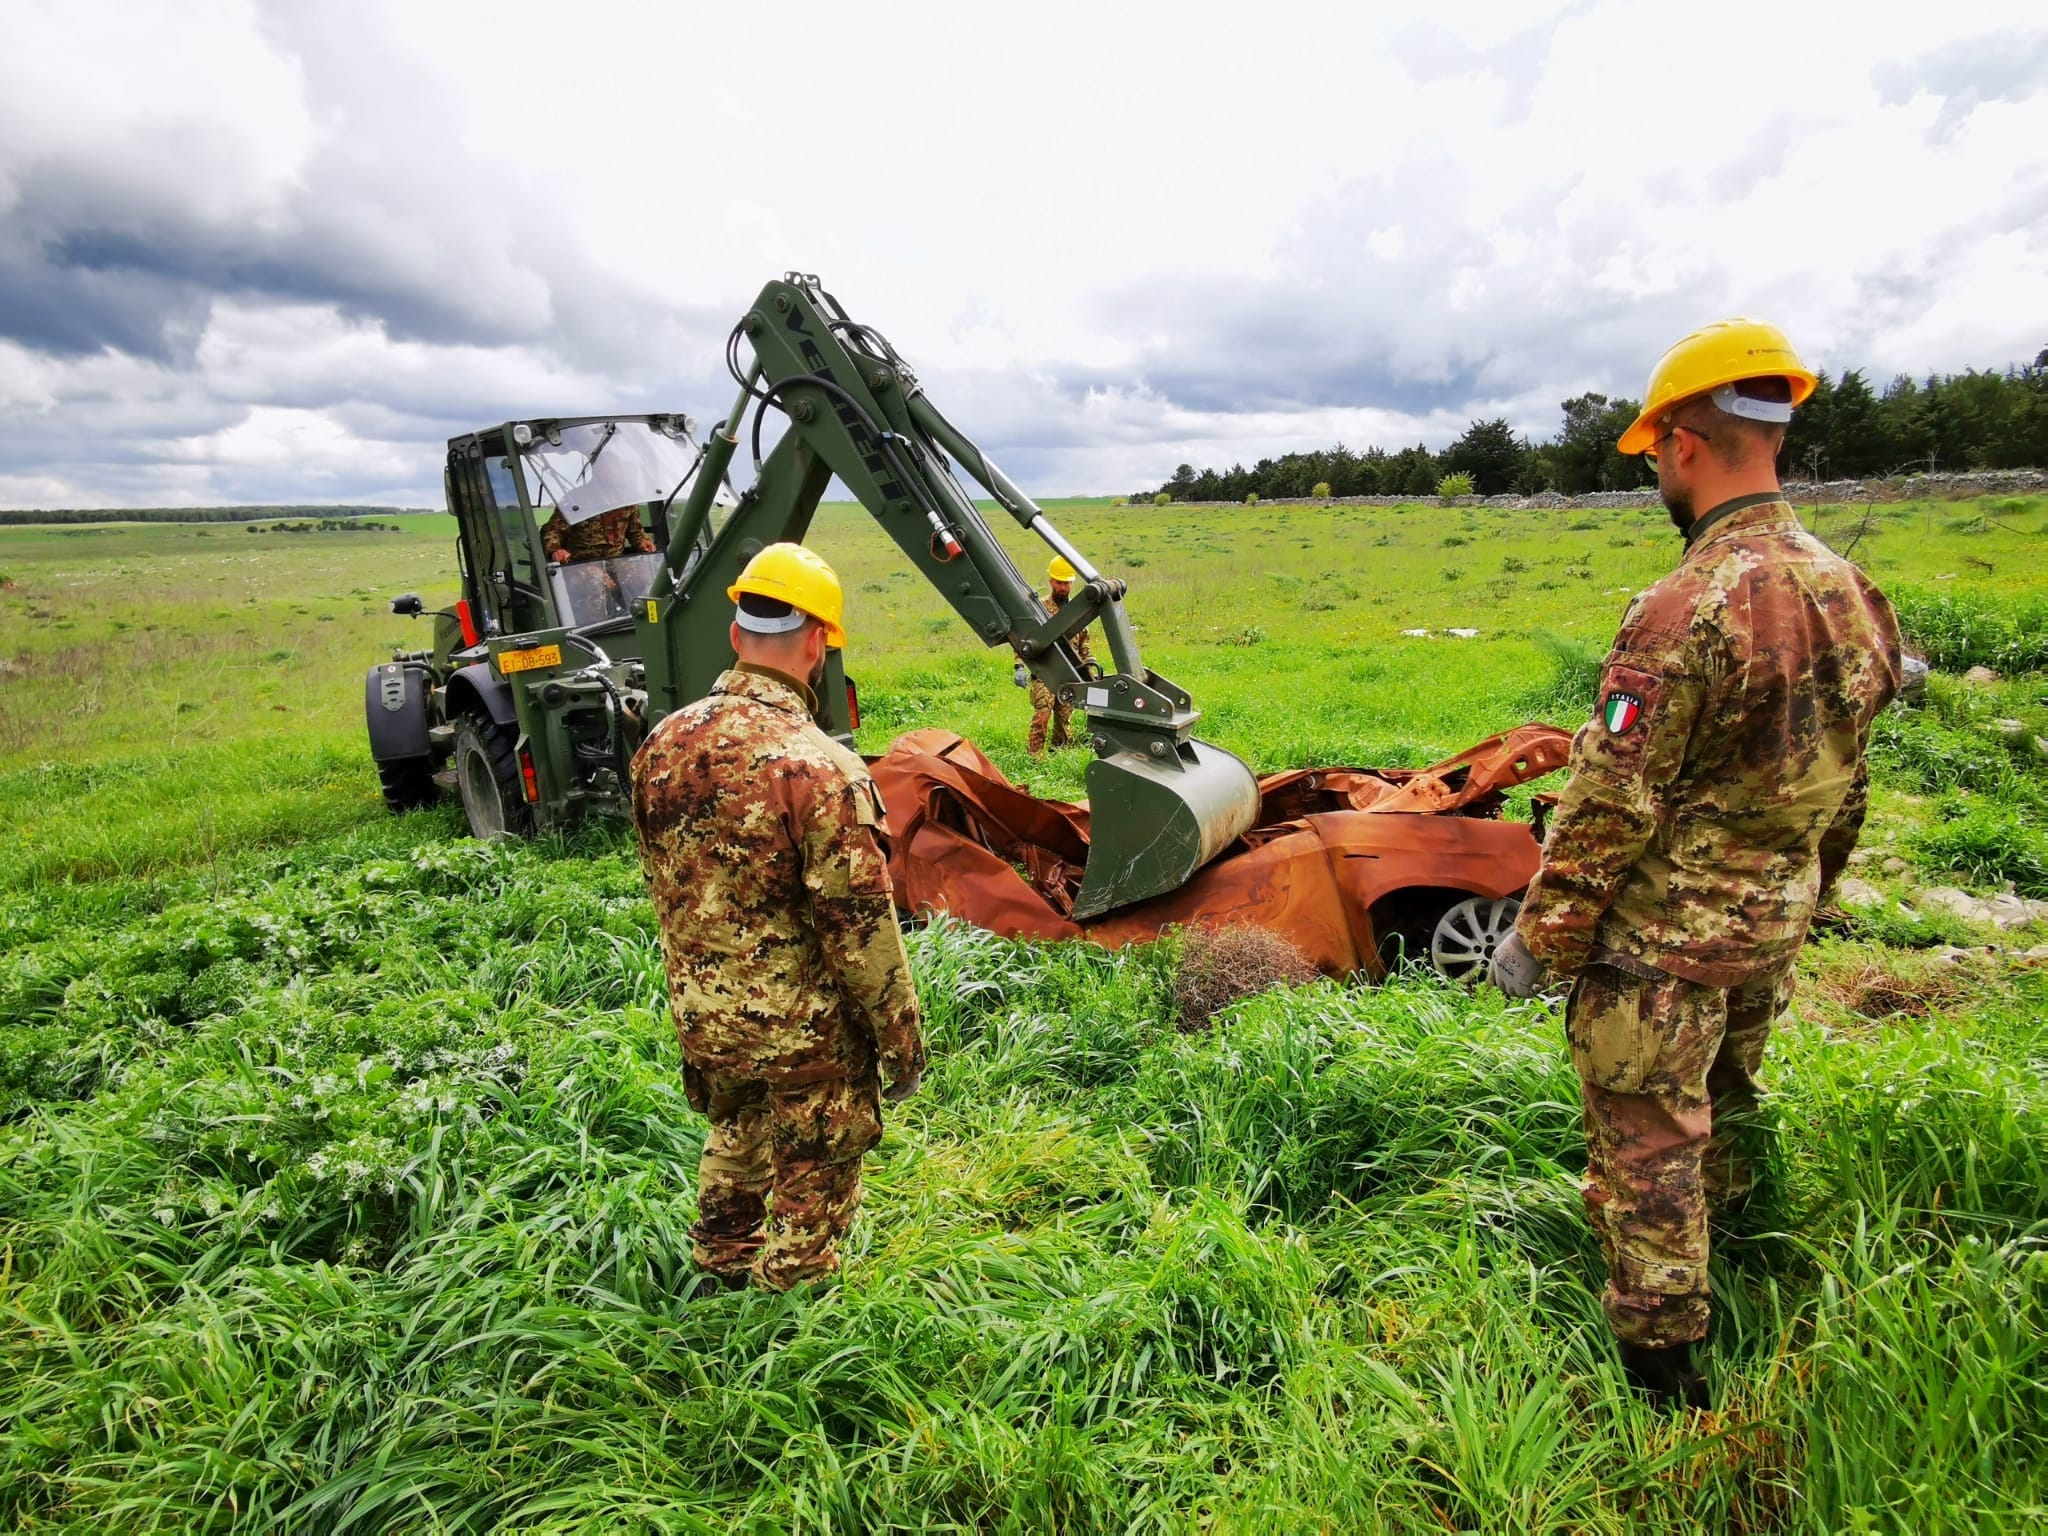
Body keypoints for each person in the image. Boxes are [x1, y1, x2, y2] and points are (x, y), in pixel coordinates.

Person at [1487, 319, 1902, 1408]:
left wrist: (1541, 941)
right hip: (1768, 926)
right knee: (1726, 1104)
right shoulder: (1850, 591)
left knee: (1647, 1147)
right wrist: (1808, 893)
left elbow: (1609, 801)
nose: (1654, 478)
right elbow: (1843, 782)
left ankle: (1659, 1371)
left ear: (1681, 441)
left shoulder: (1684, 605)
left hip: (1660, 954)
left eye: (1653, 457)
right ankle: (1750, 1259)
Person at [631, 542, 925, 1293]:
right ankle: (788, 1316)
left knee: (735, 1135)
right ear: (821, 641)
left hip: (703, 1020)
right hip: (803, 1034)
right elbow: (862, 937)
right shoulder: (821, 768)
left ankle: (719, 1268)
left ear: (736, 635)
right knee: (816, 1168)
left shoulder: (660, 746)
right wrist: (900, 1040)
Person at [1019, 555, 1096, 754]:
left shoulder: (1076, 611)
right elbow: (1025, 640)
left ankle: (1059, 755)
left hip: (1069, 675)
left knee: (1063, 720)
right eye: (1059, 582)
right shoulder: (1040, 608)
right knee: (1042, 716)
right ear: (1051, 581)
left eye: (1067, 583)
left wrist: (1089, 673)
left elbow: (1084, 645)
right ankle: (1034, 758)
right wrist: (1019, 666)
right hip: (1044, 673)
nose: (1063, 587)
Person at [542, 502, 657, 565]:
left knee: (645, 576)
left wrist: (642, 542)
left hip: (616, 563)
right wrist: (555, 550)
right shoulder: (575, 500)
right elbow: (552, 530)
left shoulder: (627, 502)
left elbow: (635, 532)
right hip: (579, 565)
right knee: (598, 585)